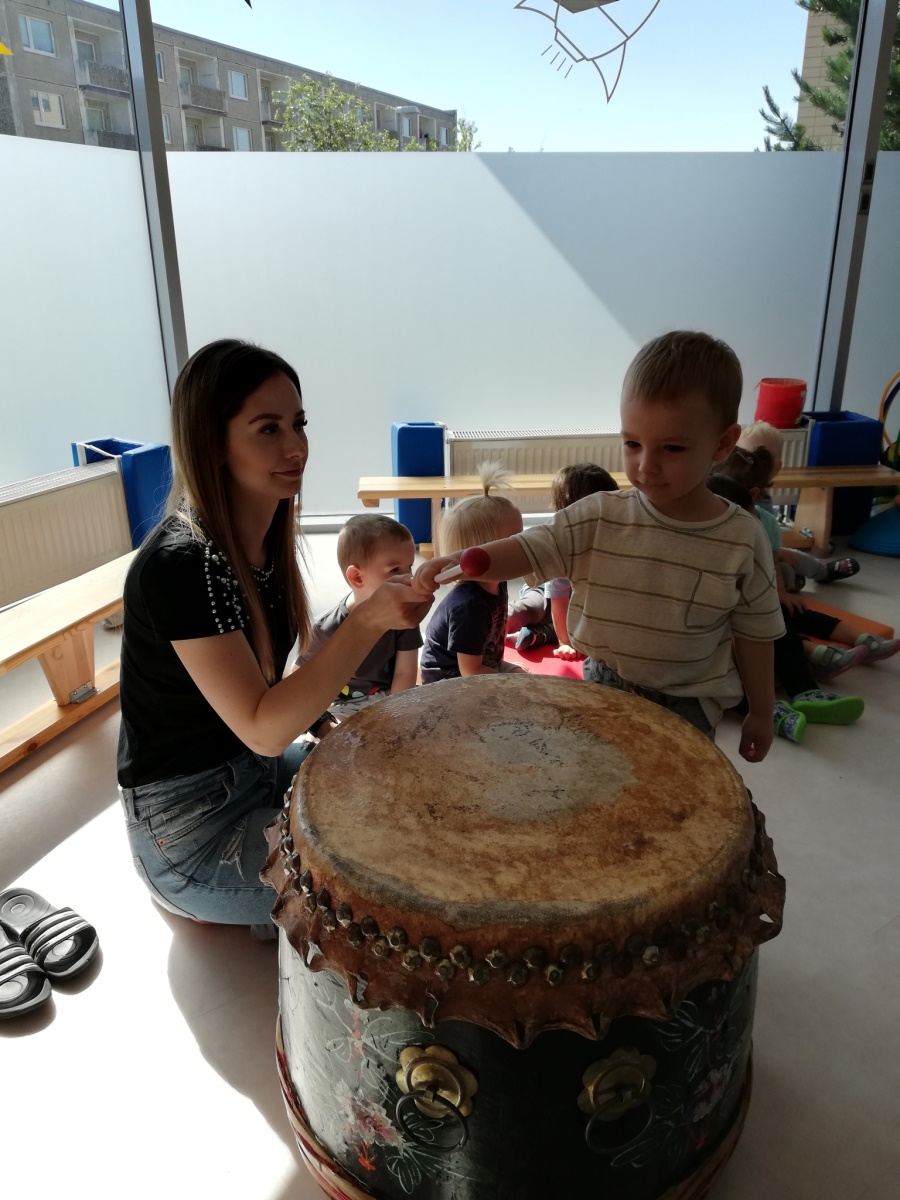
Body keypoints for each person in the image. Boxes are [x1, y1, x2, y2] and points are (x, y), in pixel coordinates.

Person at [117, 340, 431, 932]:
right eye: (268, 429)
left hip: (252, 776)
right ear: (213, 442)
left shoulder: (263, 545)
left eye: (298, 424)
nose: (296, 447)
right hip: (190, 835)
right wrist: (368, 620)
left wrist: (326, 725)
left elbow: (267, 695)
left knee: (395, 786)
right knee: (389, 878)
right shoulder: (180, 565)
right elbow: (263, 728)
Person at [415, 331, 785, 762]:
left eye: (672, 447)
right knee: (596, 781)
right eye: (632, 443)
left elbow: (756, 634)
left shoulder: (743, 538)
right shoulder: (598, 514)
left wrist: (762, 711)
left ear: (722, 443)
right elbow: (532, 546)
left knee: (673, 791)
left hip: (689, 704)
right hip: (603, 684)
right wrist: (462, 561)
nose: (646, 465)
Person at [707, 472, 864, 743]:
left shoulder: (741, 554)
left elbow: (757, 603)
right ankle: (772, 713)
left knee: (777, 630)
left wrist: (773, 602)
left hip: (740, 632)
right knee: (718, 680)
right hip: (709, 651)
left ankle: (805, 692)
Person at [716, 446, 899, 672]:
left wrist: (780, 593)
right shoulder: (716, 522)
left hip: (759, 592)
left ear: (751, 495)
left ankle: (861, 638)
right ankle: (814, 653)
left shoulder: (763, 522)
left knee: (794, 611)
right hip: (739, 603)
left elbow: (772, 562)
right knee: (772, 624)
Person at [293, 514, 421, 734]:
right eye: (395, 570)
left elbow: (405, 674)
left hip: (392, 697)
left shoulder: (403, 616)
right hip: (343, 706)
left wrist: (395, 718)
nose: (408, 577)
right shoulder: (327, 628)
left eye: (410, 566)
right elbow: (298, 678)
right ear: (357, 577)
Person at [420, 463, 525, 683]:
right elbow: (470, 671)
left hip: (480, 666)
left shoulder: (499, 582)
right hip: (448, 681)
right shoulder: (470, 606)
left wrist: (506, 670)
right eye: (513, 541)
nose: (523, 547)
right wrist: (508, 682)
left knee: (527, 681)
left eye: (522, 537)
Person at [506, 463, 617, 657]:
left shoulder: (612, 540)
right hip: (545, 593)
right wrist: (565, 642)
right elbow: (558, 599)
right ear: (566, 514)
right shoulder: (563, 544)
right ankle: (493, 623)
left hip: (577, 603)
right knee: (530, 610)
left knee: (582, 626)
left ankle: (538, 634)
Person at [737, 421, 859, 588]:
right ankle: (791, 581)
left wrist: (778, 553)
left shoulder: (764, 499)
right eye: (749, 458)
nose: (756, 466)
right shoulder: (730, 492)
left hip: (766, 554)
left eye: (765, 460)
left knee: (794, 556)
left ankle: (823, 572)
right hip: (745, 559)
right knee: (785, 570)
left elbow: (770, 543)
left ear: (776, 468)